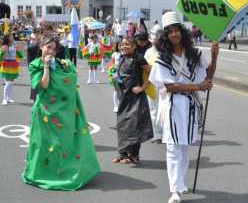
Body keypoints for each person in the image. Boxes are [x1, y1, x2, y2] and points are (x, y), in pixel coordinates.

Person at [149, 12, 219, 203]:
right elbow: (169, 86)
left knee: (185, 146)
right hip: (172, 105)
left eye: (176, 30)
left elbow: (207, 76)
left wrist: (214, 56)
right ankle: (174, 190)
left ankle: (180, 184)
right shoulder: (163, 58)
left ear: (182, 31)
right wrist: (198, 87)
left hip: (190, 105)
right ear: (165, 35)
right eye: (170, 32)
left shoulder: (195, 54)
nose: (174, 34)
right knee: (173, 147)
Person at [22, 36, 100, 190]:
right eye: (48, 47)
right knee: (43, 142)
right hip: (44, 111)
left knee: (62, 142)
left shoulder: (63, 64)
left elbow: (71, 81)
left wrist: (67, 69)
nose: (51, 51)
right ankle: (41, 173)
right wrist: (45, 66)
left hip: (63, 111)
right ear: (41, 47)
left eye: (54, 48)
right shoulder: (34, 65)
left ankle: (63, 172)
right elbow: (43, 85)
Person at [112, 37, 153, 164]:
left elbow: (153, 72)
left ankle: (133, 155)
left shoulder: (139, 58)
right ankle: (123, 154)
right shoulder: (121, 57)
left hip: (136, 98)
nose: (124, 47)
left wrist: (142, 87)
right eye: (122, 44)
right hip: (124, 96)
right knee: (123, 125)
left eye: (127, 44)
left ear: (134, 46)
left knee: (134, 126)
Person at [144, 25, 163, 143]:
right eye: (153, 35)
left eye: (156, 35)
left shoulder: (165, 51)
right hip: (150, 85)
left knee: (163, 110)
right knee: (153, 110)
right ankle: (157, 134)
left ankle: (165, 133)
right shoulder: (148, 52)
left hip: (163, 86)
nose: (154, 37)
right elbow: (144, 67)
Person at [0, 34, 24, 106]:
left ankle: (8, 98)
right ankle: (4, 99)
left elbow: (20, 56)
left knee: (11, 83)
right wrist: (2, 51)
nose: (12, 38)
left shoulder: (14, 45)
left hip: (13, 66)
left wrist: (18, 50)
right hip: (7, 66)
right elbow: (1, 57)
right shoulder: (5, 46)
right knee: (8, 83)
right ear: (7, 38)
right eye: (11, 37)